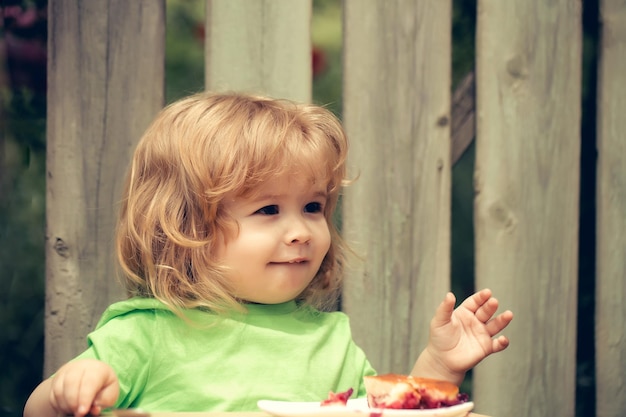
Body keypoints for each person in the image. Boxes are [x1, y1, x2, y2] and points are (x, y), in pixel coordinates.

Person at [24, 92, 513, 417]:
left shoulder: (331, 343)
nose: (301, 231)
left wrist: (439, 367)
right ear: (186, 226)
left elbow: (386, 411)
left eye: (313, 206)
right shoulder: (144, 334)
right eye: (268, 209)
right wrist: (67, 392)